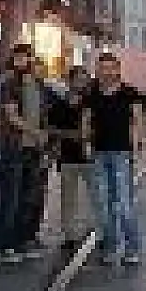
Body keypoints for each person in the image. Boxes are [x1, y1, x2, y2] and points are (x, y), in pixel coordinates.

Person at [0, 44, 49, 263]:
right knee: (10, 197)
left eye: (26, 58)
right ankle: (3, 244)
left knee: (26, 197)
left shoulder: (38, 85)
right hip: (14, 147)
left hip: (33, 149)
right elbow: (11, 116)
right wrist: (35, 132)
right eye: (18, 58)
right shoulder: (10, 84)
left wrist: (43, 140)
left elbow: (44, 113)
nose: (23, 62)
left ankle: (20, 240)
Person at [82, 52, 144, 265]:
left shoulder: (129, 93)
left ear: (118, 70)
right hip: (99, 153)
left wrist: (137, 143)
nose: (106, 72)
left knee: (124, 203)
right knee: (104, 204)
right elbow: (86, 120)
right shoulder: (92, 94)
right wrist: (86, 144)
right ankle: (110, 246)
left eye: (110, 68)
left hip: (121, 153)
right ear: (97, 70)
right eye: (102, 68)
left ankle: (132, 247)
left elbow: (138, 119)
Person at [48, 66, 92, 250]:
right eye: (78, 80)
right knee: (68, 198)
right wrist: (69, 135)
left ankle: (93, 231)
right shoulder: (59, 104)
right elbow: (51, 128)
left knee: (94, 196)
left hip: (90, 157)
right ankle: (70, 235)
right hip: (67, 157)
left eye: (84, 80)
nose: (81, 83)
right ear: (70, 81)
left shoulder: (92, 103)